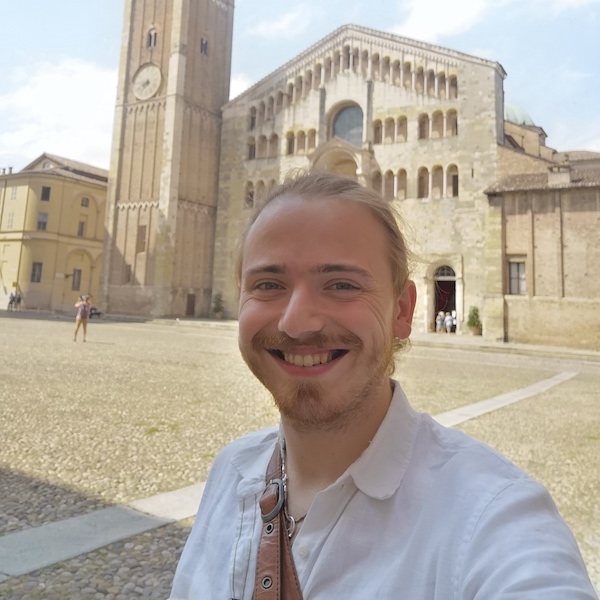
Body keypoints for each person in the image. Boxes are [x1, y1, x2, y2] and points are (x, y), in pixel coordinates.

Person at [170, 172, 597, 599]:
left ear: (403, 311)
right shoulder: (230, 473)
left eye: (341, 285)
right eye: (268, 285)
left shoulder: (491, 517)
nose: (297, 322)